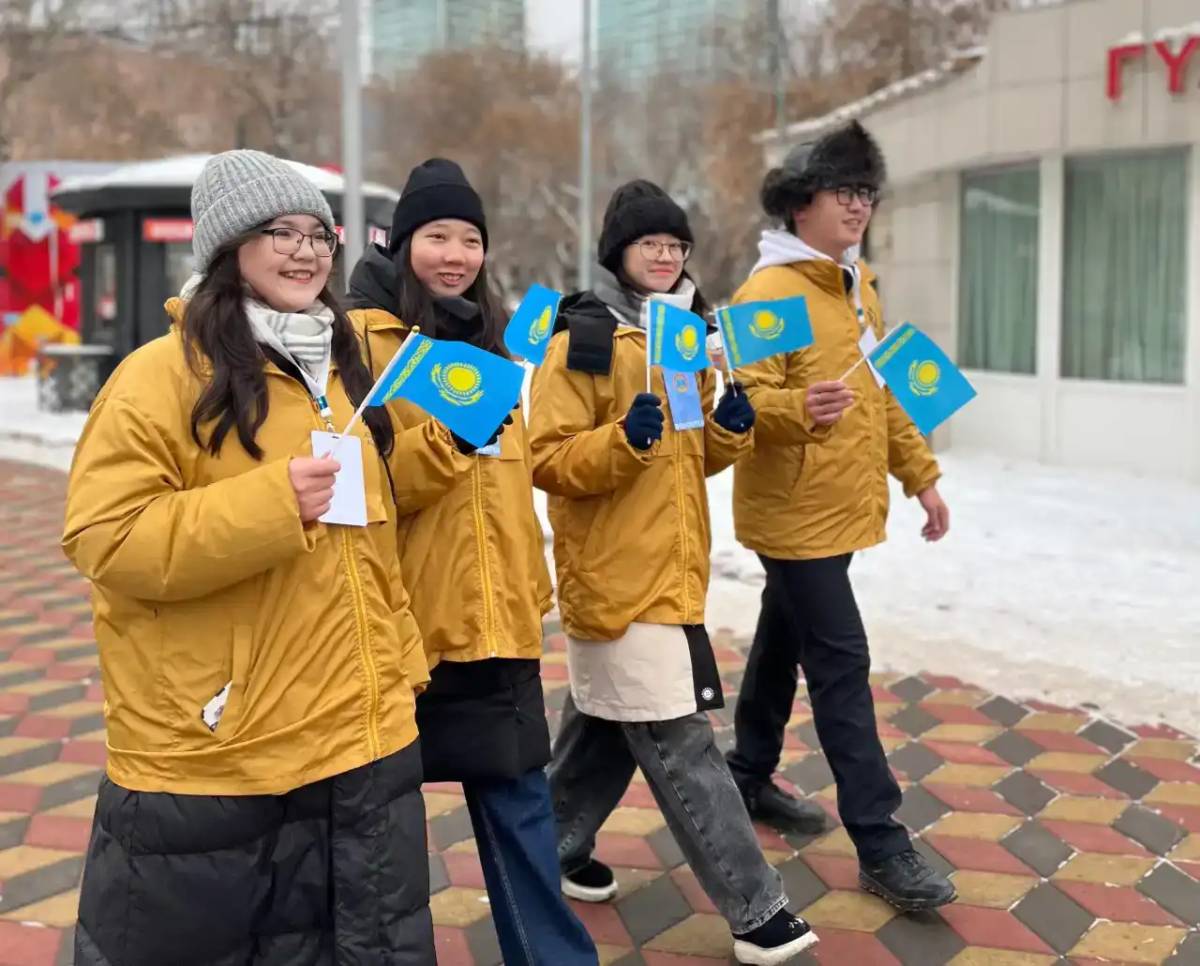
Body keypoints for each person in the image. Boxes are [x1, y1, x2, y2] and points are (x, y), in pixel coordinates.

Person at [62, 150, 436, 964]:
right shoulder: (159, 376)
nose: (306, 252)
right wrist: (270, 506)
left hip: (361, 739)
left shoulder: (338, 369)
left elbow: (369, 545)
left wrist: (401, 662)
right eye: (279, 232)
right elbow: (105, 535)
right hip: (224, 750)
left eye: (318, 235)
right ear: (230, 247)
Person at [531, 180, 818, 966]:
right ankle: (756, 909)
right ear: (618, 253)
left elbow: (688, 461)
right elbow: (547, 459)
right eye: (650, 243)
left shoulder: (686, 338)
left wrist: (727, 431)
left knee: (609, 726)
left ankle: (545, 849)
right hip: (617, 580)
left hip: (674, 572)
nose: (665, 255)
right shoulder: (582, 339)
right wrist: (620, 439)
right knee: (679, 741)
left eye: (676, 245)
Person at [348, 157, 598, 966]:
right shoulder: (360, 340)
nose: (454, 254)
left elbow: (512, 482)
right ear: (402, 241)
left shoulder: (495, 341)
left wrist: (529, 584)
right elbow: (361, 485)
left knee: (523, 810)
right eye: (436, 236)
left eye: (468, 238)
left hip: (497, 624)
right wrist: (448, 442)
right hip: (402, 630)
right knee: (384, 835)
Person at [724, 121, 957, 911]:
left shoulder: (858, 286)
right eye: (843, 191)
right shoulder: (769, 294)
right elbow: (742, 406)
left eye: (866, 192)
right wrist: (797, 408)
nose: (858, 206)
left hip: (838, 506)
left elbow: (884, 391)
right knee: (841, 662)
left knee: (782, 637)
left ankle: (746, 774)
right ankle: (881, 839)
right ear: (800, 203)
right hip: (792, 515)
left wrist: (920, 475)